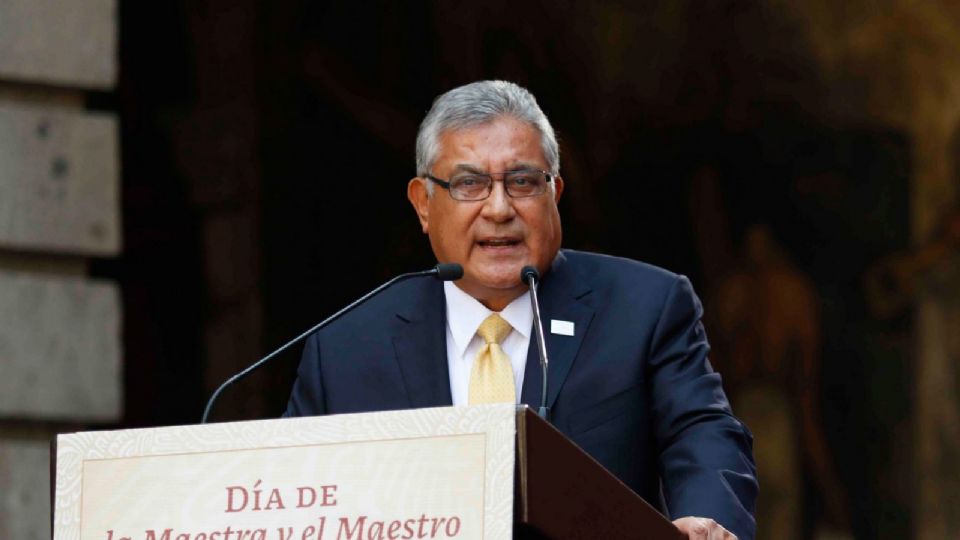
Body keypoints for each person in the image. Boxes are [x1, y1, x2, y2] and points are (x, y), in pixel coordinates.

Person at [285, 80, 757, 539]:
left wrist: (705, 518)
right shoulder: (344, 348)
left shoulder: (645, 307)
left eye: (523, 182)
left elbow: (701, 433)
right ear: (423, 204)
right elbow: (292, 493)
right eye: (469, 183)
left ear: (555, 195)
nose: (498, 208)